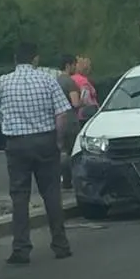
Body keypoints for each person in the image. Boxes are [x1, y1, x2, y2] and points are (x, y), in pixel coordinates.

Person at [0, 42, 73, 264]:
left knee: (19, 196)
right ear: (35, 58)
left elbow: (1, 107)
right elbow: (61, 115)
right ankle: (60, 244)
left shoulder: (3, 82)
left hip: (16, 144)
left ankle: (21, 248)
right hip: (44, 140)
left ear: (15, 59)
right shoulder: (48, 80)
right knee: (51, 193)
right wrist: (58, 141)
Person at [57, 55, 82, 190]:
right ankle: (72, 180)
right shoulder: (70, 82)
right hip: (71, 121)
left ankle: (63, 180)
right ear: (68, 65)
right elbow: (75, 103)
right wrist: (83, 100)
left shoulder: (56, 81)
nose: (75, 67)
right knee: (73, 151)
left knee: (62, 151)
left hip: (58, 120)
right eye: (74, 64)